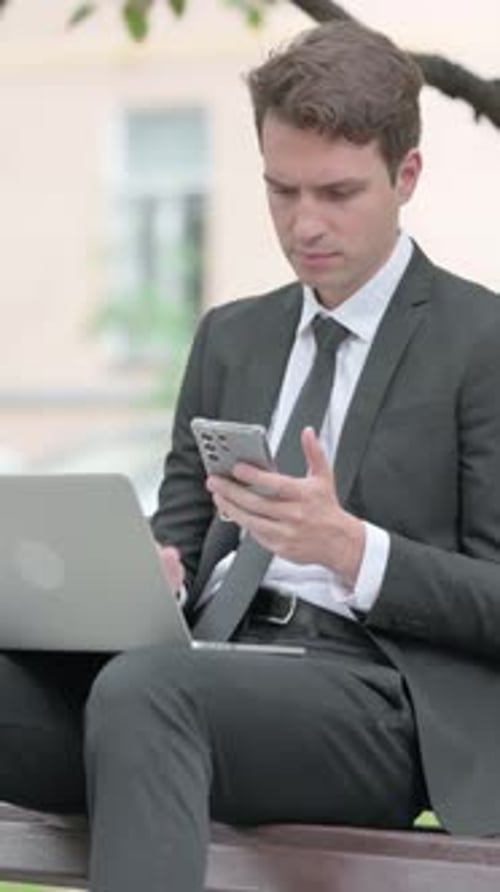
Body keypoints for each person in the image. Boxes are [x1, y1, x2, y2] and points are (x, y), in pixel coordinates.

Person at [1, 17, 499, 892]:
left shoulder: (481, 340)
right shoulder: (232, 337)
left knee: (148, 695)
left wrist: (352, 549)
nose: (305, 224)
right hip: (203, 671)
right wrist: (157, 573)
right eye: (281, 191)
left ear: (406, 175)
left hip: (381, 704)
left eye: (337, 193)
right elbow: (184, 535)